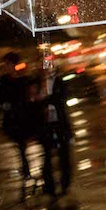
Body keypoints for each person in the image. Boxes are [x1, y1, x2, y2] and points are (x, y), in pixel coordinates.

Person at [0, 52, 36, 191]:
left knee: (22, 146)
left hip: (24, 118)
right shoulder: (4, 81)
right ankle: (26, 172)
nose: (5, 66)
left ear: (13, 64)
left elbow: (31, 99)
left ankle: (26, 173)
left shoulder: (24, 80)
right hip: (12, 120)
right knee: (20, 146)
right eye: (5, 64)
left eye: (7, 64)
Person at [36, 57, 72, 197]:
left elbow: (60, 98)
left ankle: (64, 184)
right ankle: (49, 186)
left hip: (59, 123)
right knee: (46, 156)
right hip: (46, 124)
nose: (46, 69)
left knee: (64, 155)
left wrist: (45, 99)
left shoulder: (59, 81)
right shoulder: (38, 83)